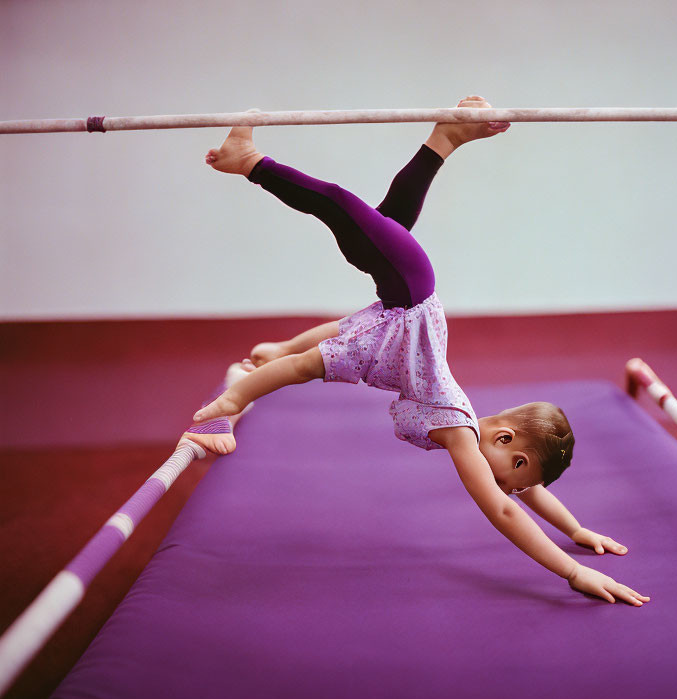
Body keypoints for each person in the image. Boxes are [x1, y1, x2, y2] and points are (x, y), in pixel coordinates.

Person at [182, 97, 650, 606]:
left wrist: (577, 530)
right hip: (411, 298)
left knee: (380, 230)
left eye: (517, 485)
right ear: (512, 447)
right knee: (342, 215)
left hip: (394, 330)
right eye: (514, 478)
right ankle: (222, 406)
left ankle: (445, 138)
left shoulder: (483, 443)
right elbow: (505, 510)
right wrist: (571, 572)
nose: (511, 489)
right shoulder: (462, 436)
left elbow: (526, 494)